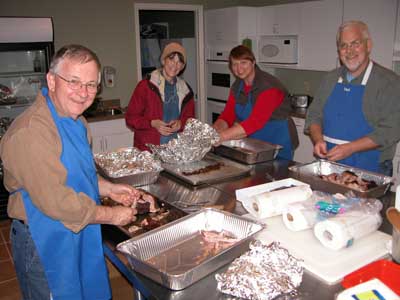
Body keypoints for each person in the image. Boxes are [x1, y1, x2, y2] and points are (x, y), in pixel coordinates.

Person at [0, 44, 142, 300]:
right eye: (73, 81)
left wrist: (110, 188)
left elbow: (79, 173)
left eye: (90, 84)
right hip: (45, 237)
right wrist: (111, 215)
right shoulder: (31, 132)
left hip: (80, 226)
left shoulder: (77, 121)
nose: (83, 92)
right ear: (52, 80)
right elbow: (56, 201)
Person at [305, 20, 400, 175]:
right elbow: (314, 115)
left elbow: (390, 131)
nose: (349, 51)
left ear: (368, 45)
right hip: (329, 166)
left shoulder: (389, 83)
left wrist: (350, 148)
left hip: (370, 167)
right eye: (343, 45)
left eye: (355, 43)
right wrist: (318, 140)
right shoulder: (330, 79)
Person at [212, 45, 298, 160]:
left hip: (278, 141)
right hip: (255, 143)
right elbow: (228, 115)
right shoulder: (237, 86)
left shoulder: (269, 87)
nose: (239, 69)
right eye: (235, 64)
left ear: (253, 63)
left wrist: (221, 137)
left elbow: (255, 122)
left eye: (243, 63)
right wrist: (213, 130)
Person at [125, 42, 195, 151]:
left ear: (182, 66)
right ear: (163, 60)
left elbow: (190, 120)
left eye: (179, 62)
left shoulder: (186, 91)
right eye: (171, 59)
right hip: (148, 152)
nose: (175, 65)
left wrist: (180, 124)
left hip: (175, 152)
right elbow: (131, 118)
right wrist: (152, 123)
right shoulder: (145, 86)